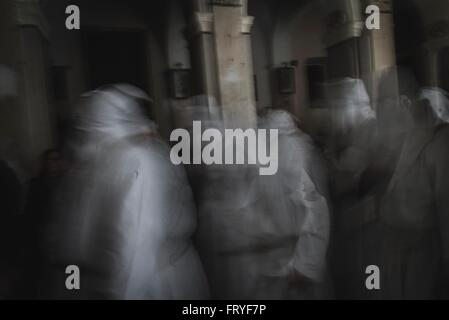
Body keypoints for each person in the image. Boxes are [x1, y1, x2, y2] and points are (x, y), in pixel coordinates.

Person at [39, 84, 209, 299]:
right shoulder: (90, 164)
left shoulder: (136, 160)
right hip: (90, 278)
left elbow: (135, 243)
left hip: (146, 280)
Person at [195, 110, 331, 299]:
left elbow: (315, 211)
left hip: (290, 264)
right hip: (269, 268)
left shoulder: (292, 157)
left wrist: (304, 264)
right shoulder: (257, 165)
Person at [373, 68, 449, 299]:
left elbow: (446, 204)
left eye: (382, 103)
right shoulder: (400, 133)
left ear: (403, 101)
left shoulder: (439, 139)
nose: (377, 111)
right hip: (395, 246)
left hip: (423, 251)